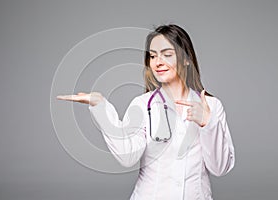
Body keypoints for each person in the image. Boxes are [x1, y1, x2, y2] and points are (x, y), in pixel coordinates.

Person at [57, 24, 235, 200]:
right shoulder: (143, 105)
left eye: (167, 55)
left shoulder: (212, 106)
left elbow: (219, 168)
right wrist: (101, 107)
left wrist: (208, 123)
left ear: (186, 59)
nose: (158, 62)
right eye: (152, 56)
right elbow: (127, 157)